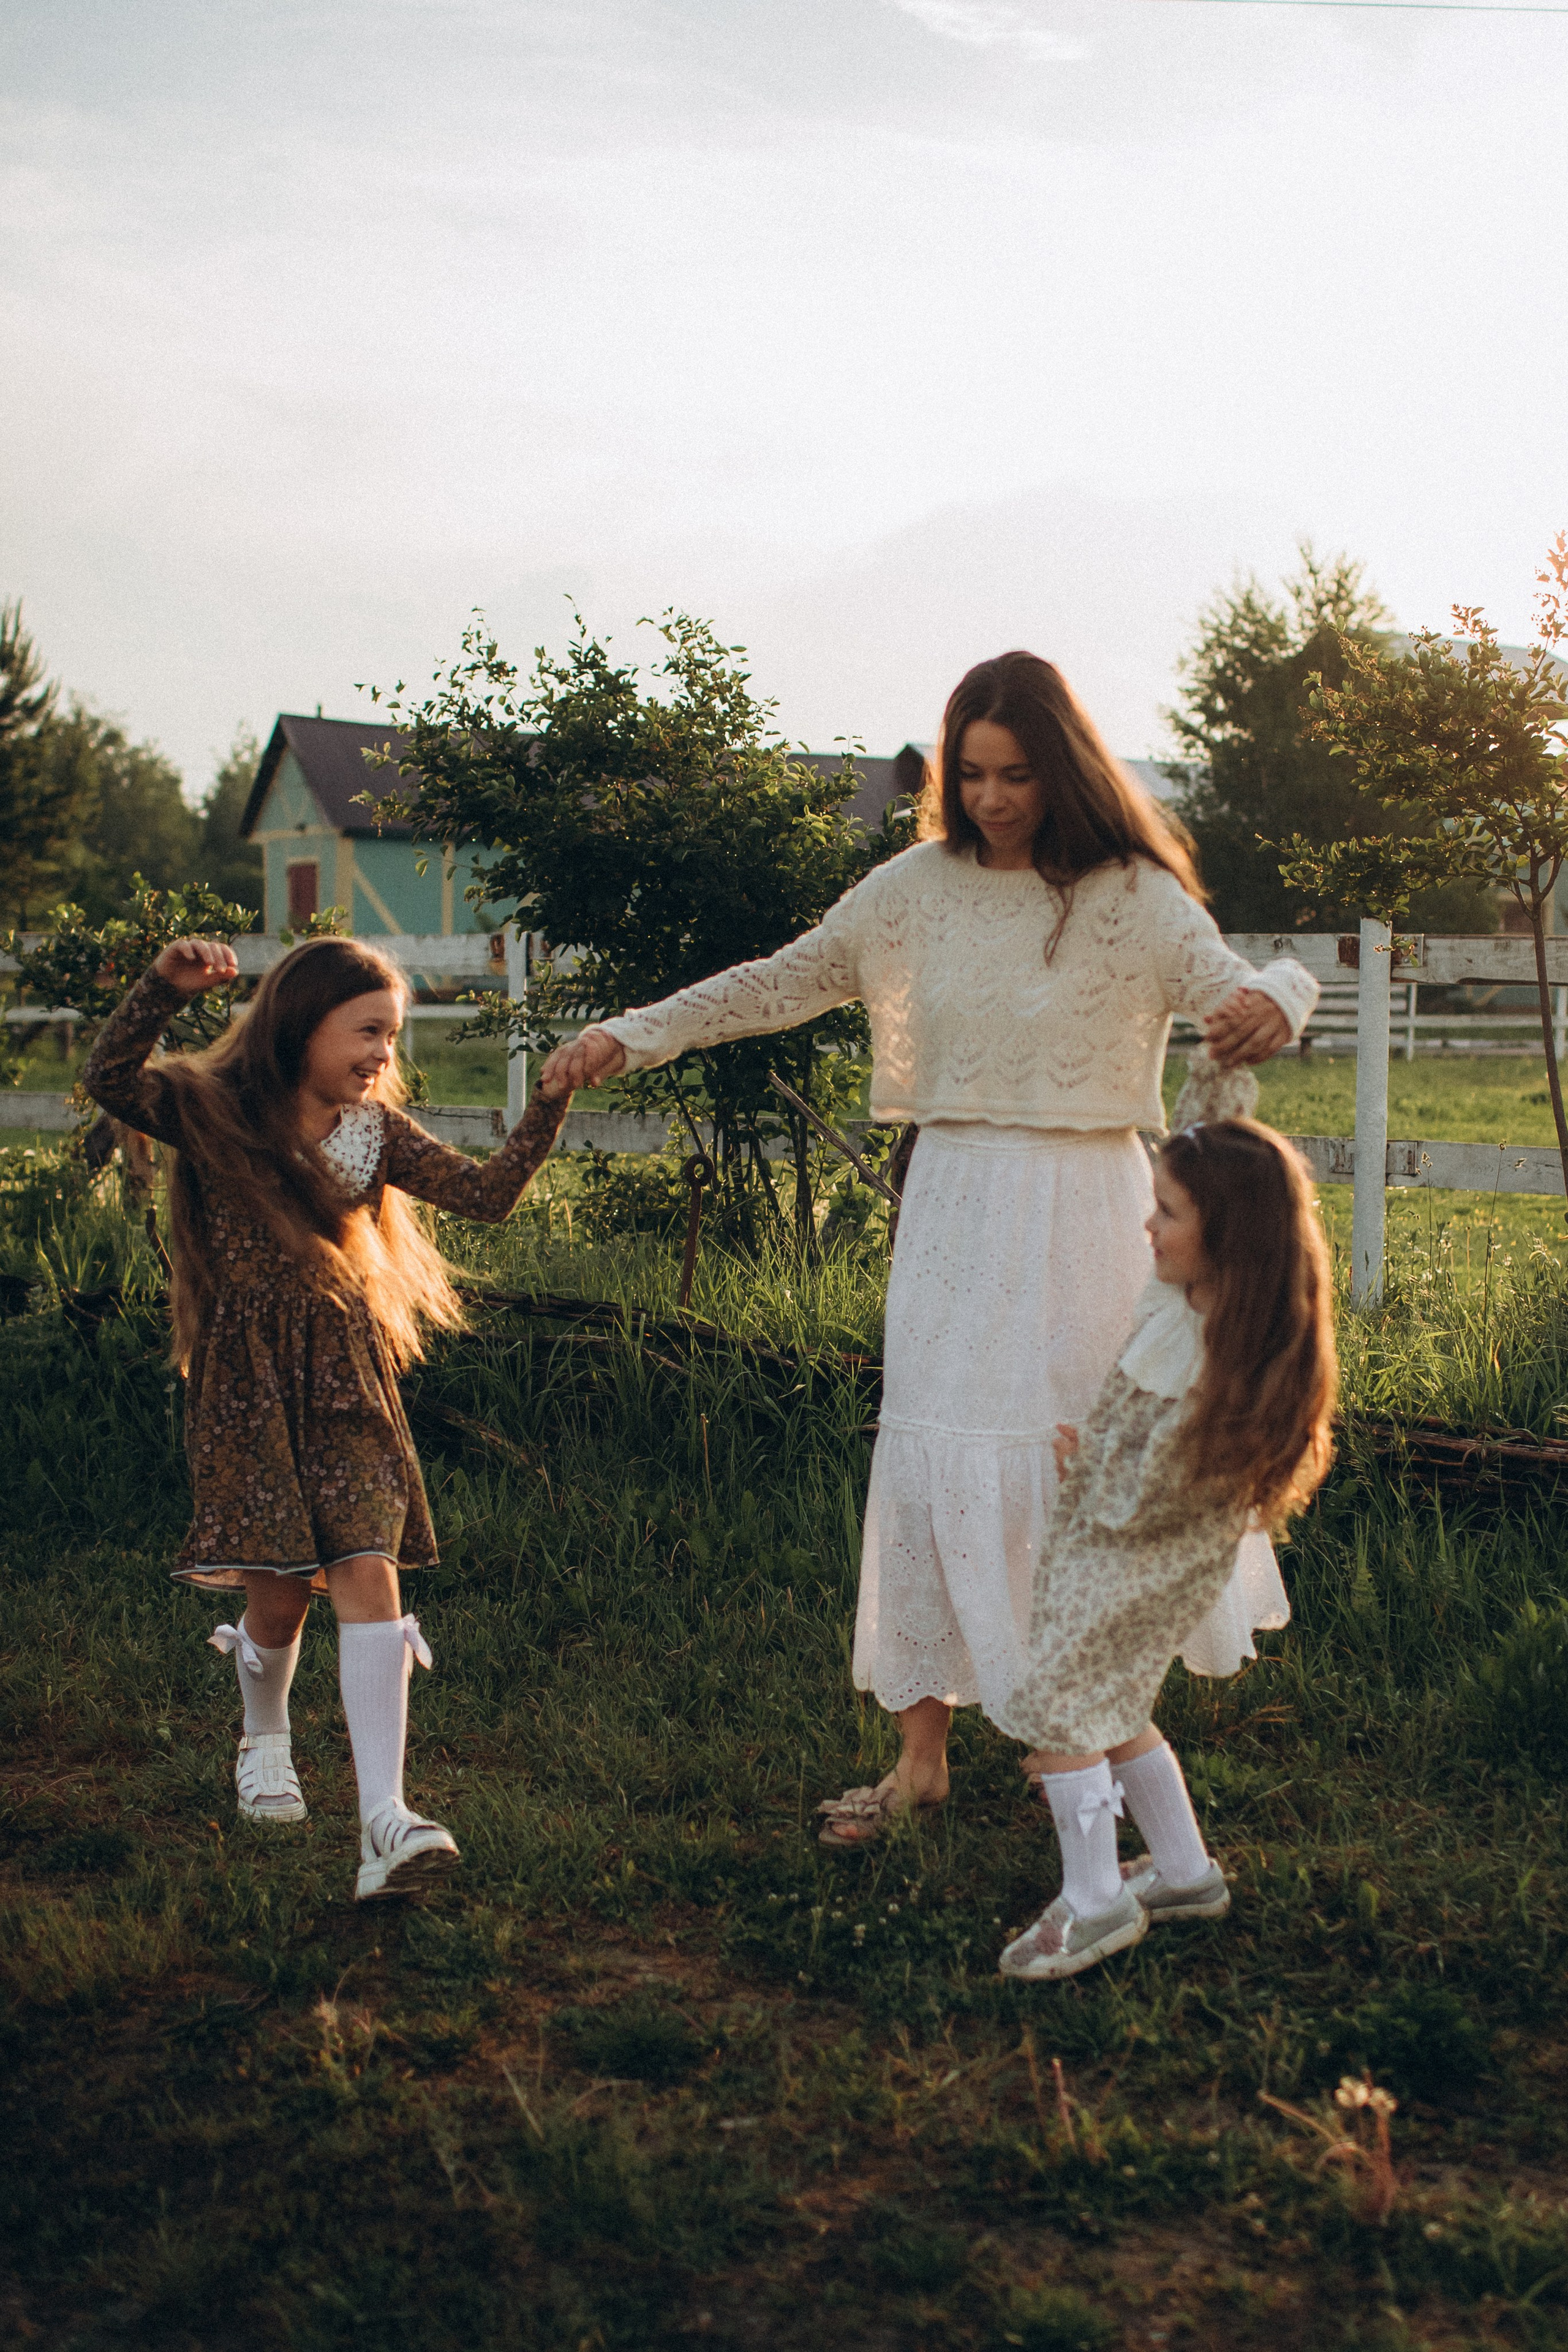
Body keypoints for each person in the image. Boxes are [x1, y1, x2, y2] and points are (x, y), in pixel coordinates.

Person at [538, 652, 1319, 1843]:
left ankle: (1090, 1731)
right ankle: (920, 1761)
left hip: (1087, 1216)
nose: (994, 799)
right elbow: (782, 982)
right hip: (953, 1207)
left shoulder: (1132, 895)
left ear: (1062, 768)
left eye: (1016, 775)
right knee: (933, 1456)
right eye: (971, 775)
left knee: (1079, 1472)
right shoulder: (910, 889)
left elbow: (1238, 993)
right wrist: (630, 1035)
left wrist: (1284, 995)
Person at [84, 935, 571, 1900]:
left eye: (393, 1037)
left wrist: (550, 1096)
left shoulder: (374, 1134)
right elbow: (109, 1078)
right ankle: (264, 1733)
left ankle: (384, 1821)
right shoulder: (215, 1112)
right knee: (278, 1592)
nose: (384, 1055)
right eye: (368, 1032)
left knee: (365, 1564)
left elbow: (492, 1195)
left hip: (348, 1375)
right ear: (301, 1022)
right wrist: (162, 991)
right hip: (247, 1386)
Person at [992, 1117, 1336, 1980]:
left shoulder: (1223, 1355)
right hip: (1123, 1553)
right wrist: (1224, 1060)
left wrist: (1087, 1469)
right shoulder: (1178, 1298)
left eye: (1168, 1212)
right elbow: (1210, 1137)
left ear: (1227, 1236)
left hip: (1126, 1559)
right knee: (1115, 1705)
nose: (1147, 1226)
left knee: (1066, 1710)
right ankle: (1183, 1875)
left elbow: (1153, 1500)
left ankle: (1095, 1898)